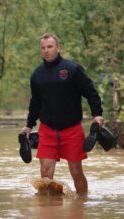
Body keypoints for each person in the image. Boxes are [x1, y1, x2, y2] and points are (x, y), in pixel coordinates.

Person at [21, 33, 103, 195]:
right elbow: (35, 103)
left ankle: (82, 203)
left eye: (50, 47)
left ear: (58, 48)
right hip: (47, 131)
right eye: (43, 48)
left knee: (76, 172)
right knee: (45, 174)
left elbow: (90, 92)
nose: (46, 50)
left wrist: (97, 114)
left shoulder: (73, 69)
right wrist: (29, 125)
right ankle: (49, 209)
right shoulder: (36, 75)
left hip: (72, 130)